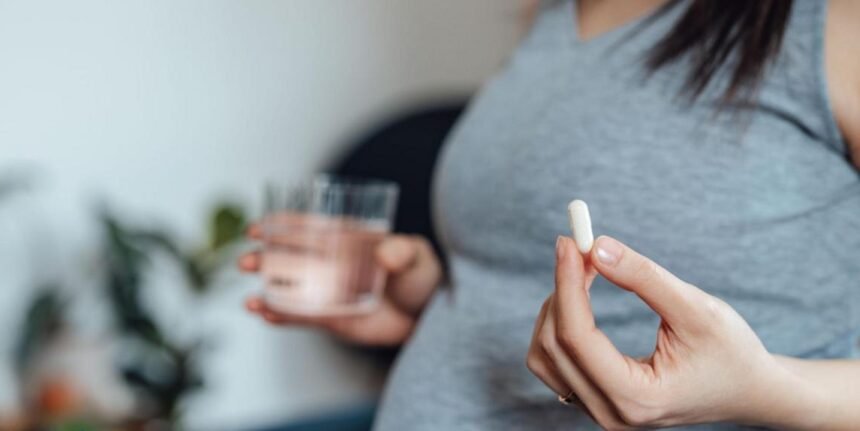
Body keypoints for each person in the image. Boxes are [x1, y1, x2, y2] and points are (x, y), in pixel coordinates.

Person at [239, 0, 860, 429]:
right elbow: (531, 294)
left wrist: (768, 389)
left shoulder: (832, 27)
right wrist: (423, 302)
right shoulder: (553, 17)